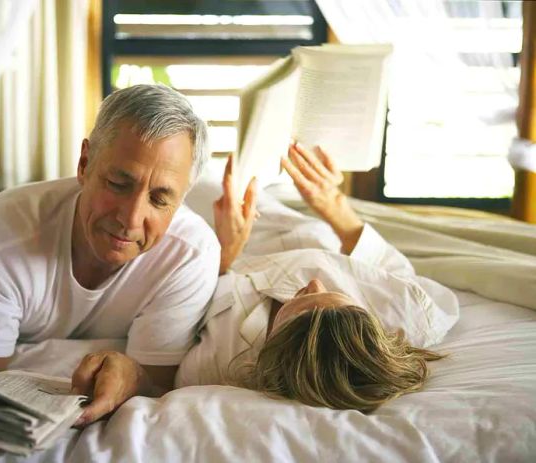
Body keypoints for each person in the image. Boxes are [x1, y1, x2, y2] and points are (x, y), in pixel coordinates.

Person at [0, 84, 223, 425]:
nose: (130, 219)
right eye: (119, 184)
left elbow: (157, 380)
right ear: (84, 163)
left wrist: (134, 374)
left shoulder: (191, 255)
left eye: (160, 199)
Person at [175, 142, 459, 412]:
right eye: (335, 295)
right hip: (289, 234)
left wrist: (225, 252)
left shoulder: (217, 363)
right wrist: (331, 203)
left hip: (212, 260)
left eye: (301, 300)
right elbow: (385, 263)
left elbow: (176, 315)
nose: (314, 283)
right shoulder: (413, 316)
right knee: (197, 170)